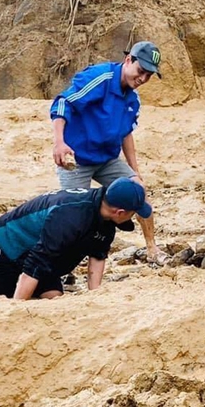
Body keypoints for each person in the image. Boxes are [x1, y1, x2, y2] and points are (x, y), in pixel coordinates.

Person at [50, 41, 162, 261]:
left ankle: (152, 249)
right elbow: (63, 103)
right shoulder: (100, 78)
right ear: (128, 60)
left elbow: (126, 134)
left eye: (148, 76)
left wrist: (135, 171)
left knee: (139, 191)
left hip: (107, 159)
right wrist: (59, 142)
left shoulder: (133, 99)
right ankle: (59, 262)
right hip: (77, 159)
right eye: (140, 71)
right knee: (74, 213)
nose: (142, 79)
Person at [0, 179, 150, 299]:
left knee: (54, 298)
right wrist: (17, 309)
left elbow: (98, 257)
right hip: (9, 242)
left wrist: (95, 299)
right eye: (133, 213)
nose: (133, 217)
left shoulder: (106, 218)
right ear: (120, 212)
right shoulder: (71, 216)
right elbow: (37, 262)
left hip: (47, 252)